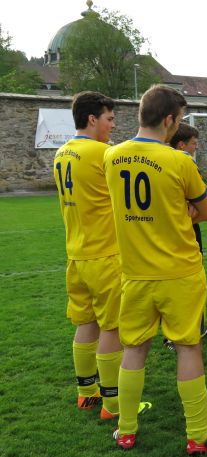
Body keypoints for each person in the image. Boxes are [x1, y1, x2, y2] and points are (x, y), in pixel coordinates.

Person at [104, 85, 207, 455]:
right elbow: (205, 212)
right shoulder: (180, 161)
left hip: (135, 274)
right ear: (169, 120)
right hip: (180, 272)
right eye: (178, 120)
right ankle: (197, 435)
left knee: (134, 350)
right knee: (188, 348)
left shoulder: (112, 156)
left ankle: (126, 430)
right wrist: (177, 210)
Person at [54, 91, 126, 420]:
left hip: (76, 254)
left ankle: (86, 393)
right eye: (109, 119)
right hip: (105, 254)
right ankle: (113, 404)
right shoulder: (103, 153)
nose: (113, 125)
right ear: (92, 118)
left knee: (86, 323)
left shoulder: (62, 152)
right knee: (112, 328)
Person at [167, 122, 207, 341]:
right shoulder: (184, 164)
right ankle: (174, 336)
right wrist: (186, 218)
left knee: (191, 284)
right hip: (185, 233)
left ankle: (198, 326)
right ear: (181, 145)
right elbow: (204, 210)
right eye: (193, 143)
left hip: (171, 231)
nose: (196, 147)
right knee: (184, 285)